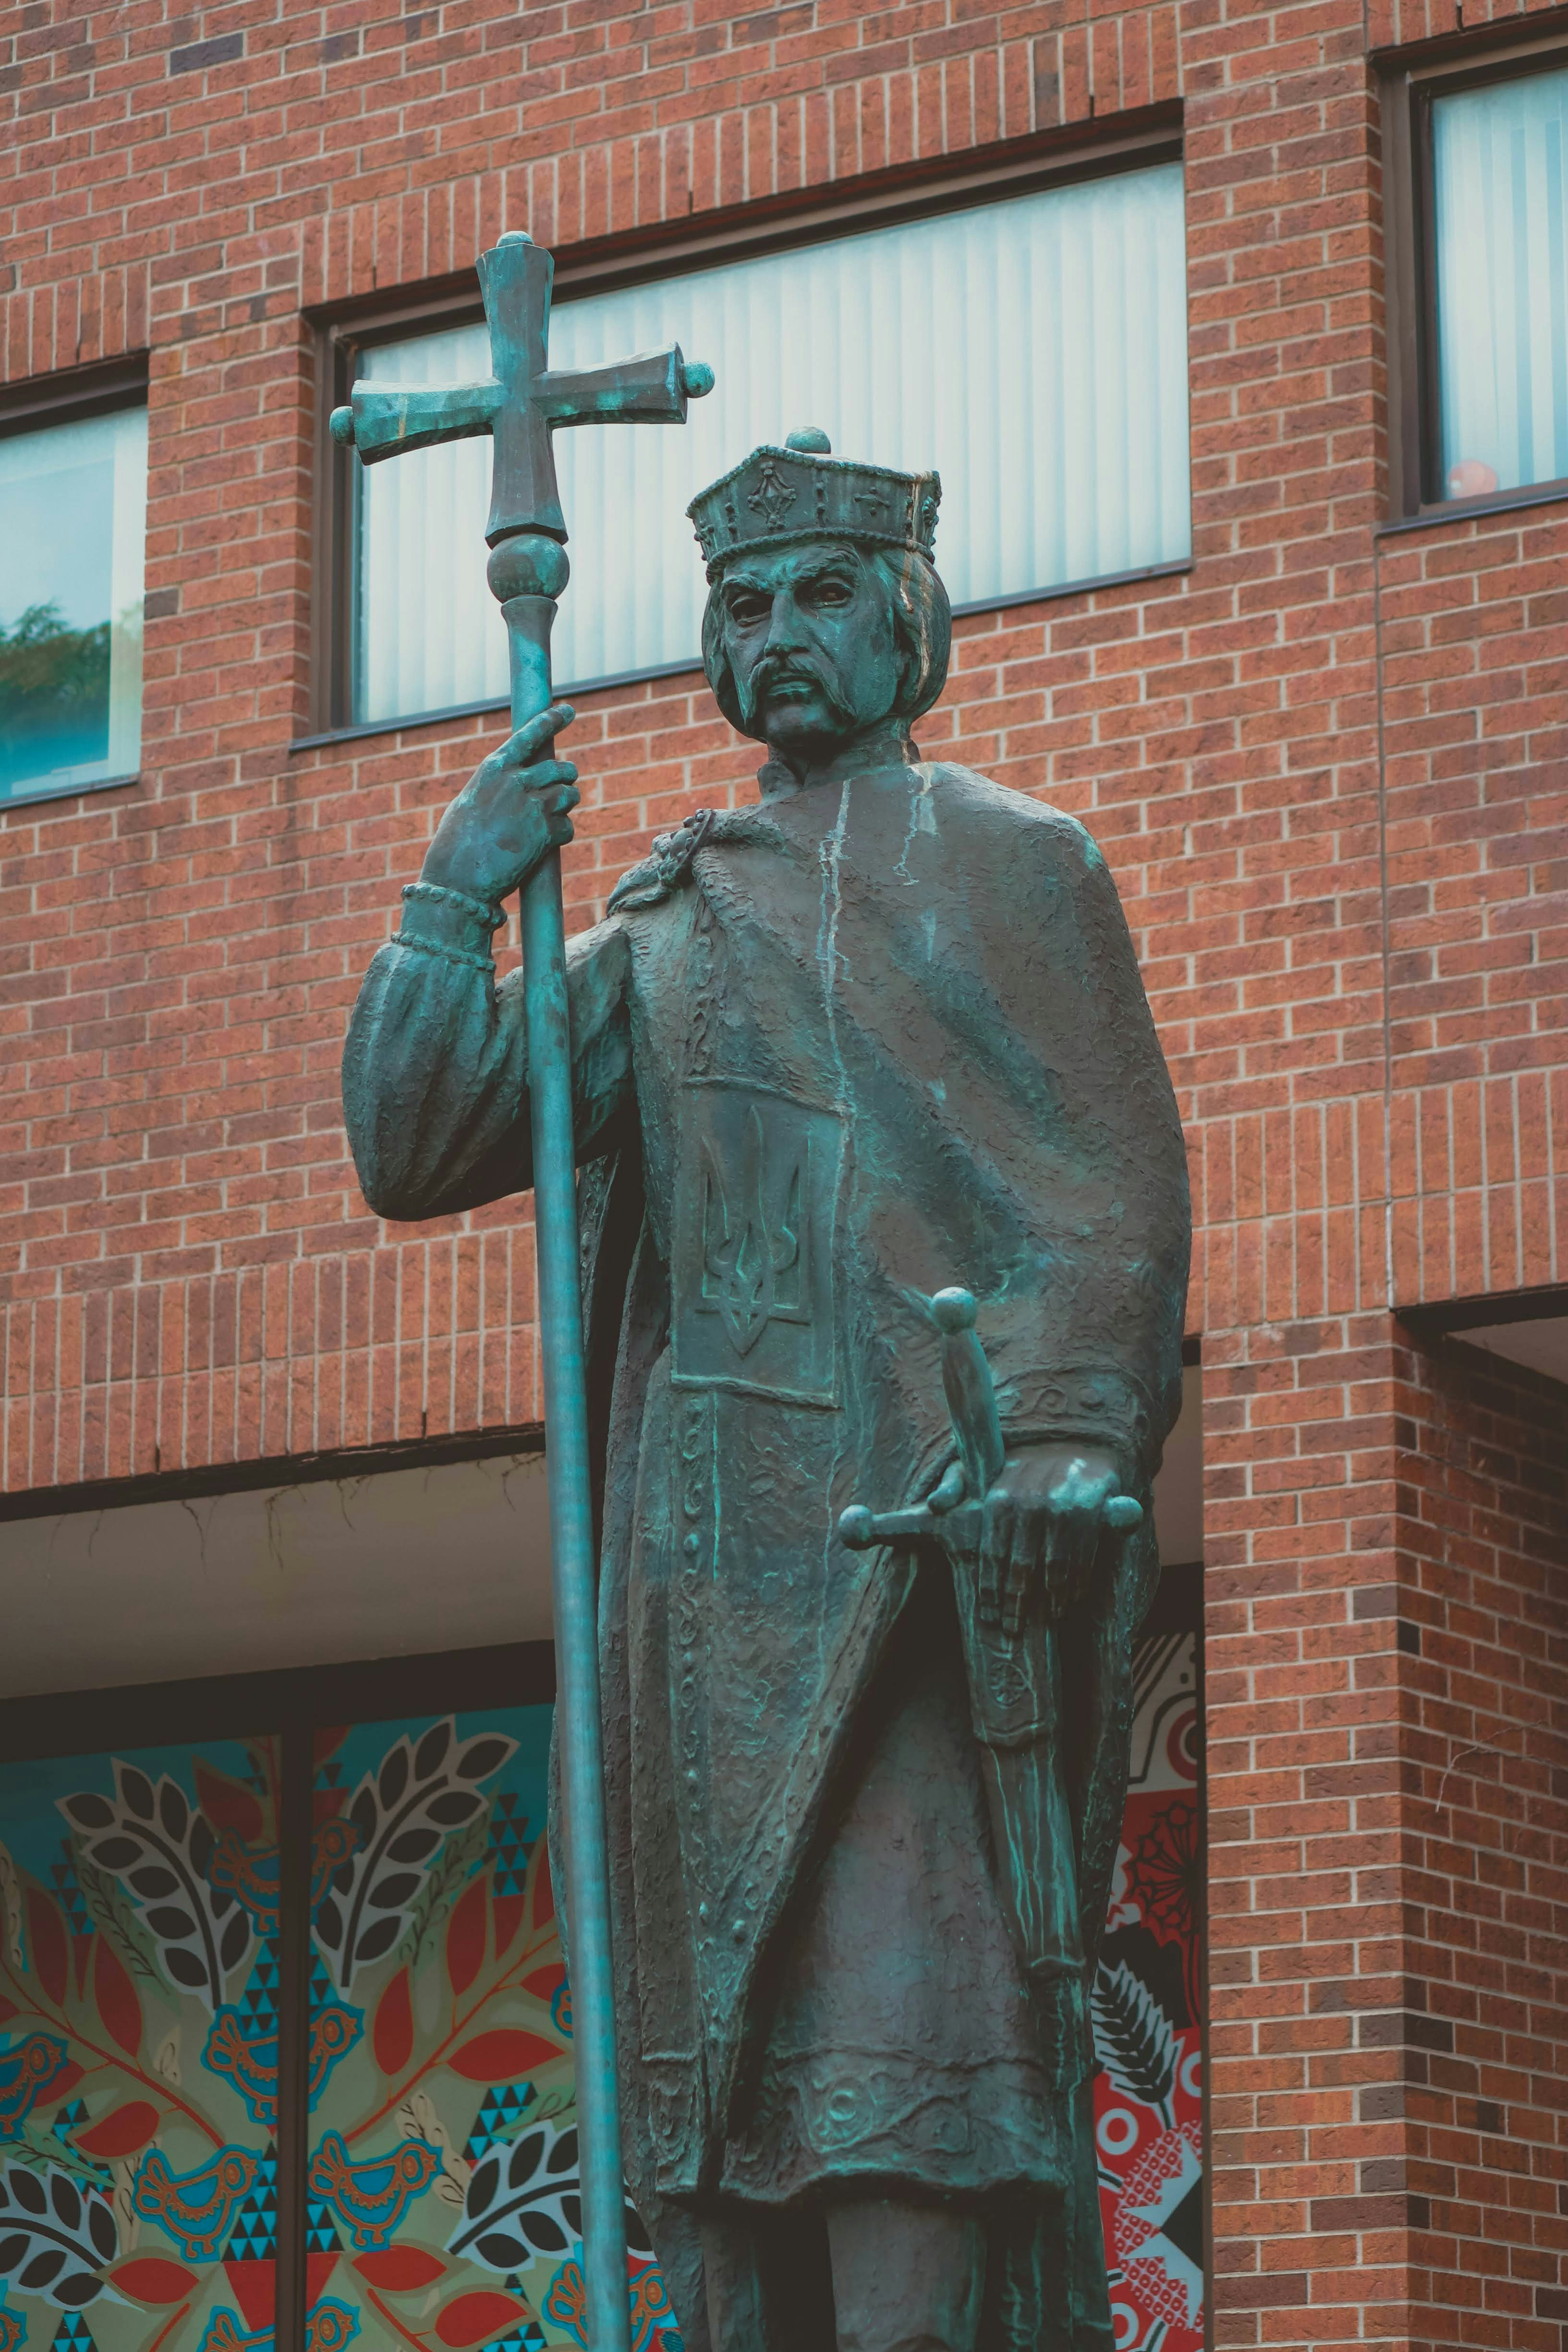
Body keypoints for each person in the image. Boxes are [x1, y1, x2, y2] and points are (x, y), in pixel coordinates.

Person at [342, 430, 1190, 2352]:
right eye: (743, 607)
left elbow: (1109, 1210)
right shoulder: (671, 917)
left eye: (820, 597)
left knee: (906, 2086)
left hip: (908, 1578)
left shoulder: (1016, 868)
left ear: (909, 624)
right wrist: (447, 893)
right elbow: (422, 1136)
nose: (779, 635)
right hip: (706, 1599)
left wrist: (1055, 1447)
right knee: (717, 2160)